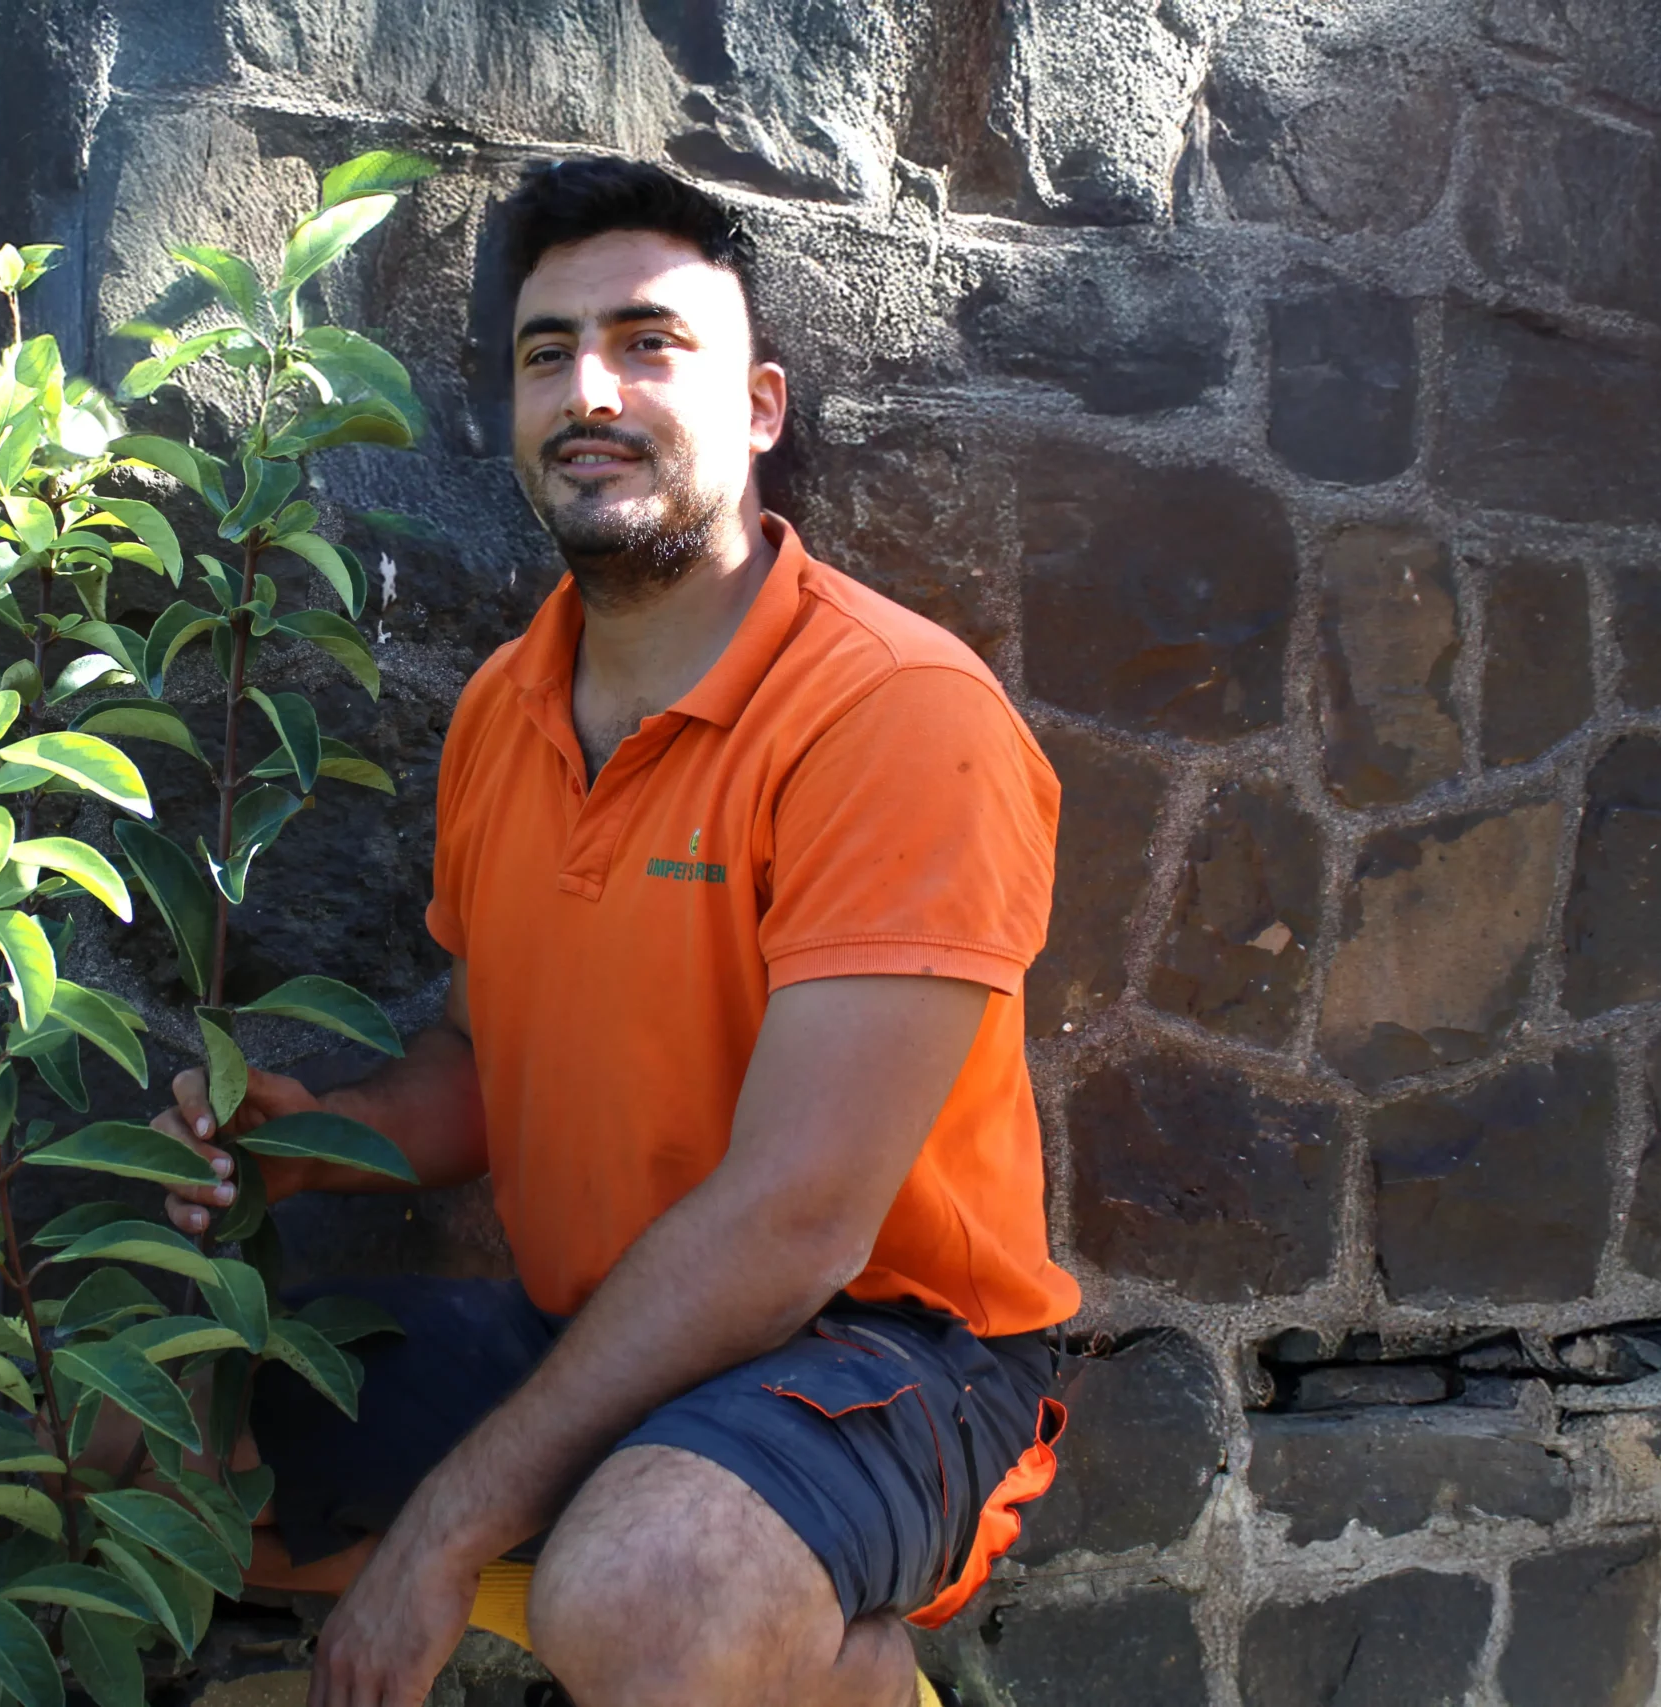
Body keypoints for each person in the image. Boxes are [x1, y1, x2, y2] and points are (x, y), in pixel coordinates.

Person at [147, 157, 1077, 1707]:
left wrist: (446, 1530)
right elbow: (487, 1055)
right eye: (547, 353)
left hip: (892, 1353)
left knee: (649, 1592)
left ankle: (718, 1624)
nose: (593, 389)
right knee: (130, 1431)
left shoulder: (898, 718)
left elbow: (797, 1220)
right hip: (586, 1326)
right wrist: (324, 1142)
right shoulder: (505, 710)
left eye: (652, 343)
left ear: (760, 407)